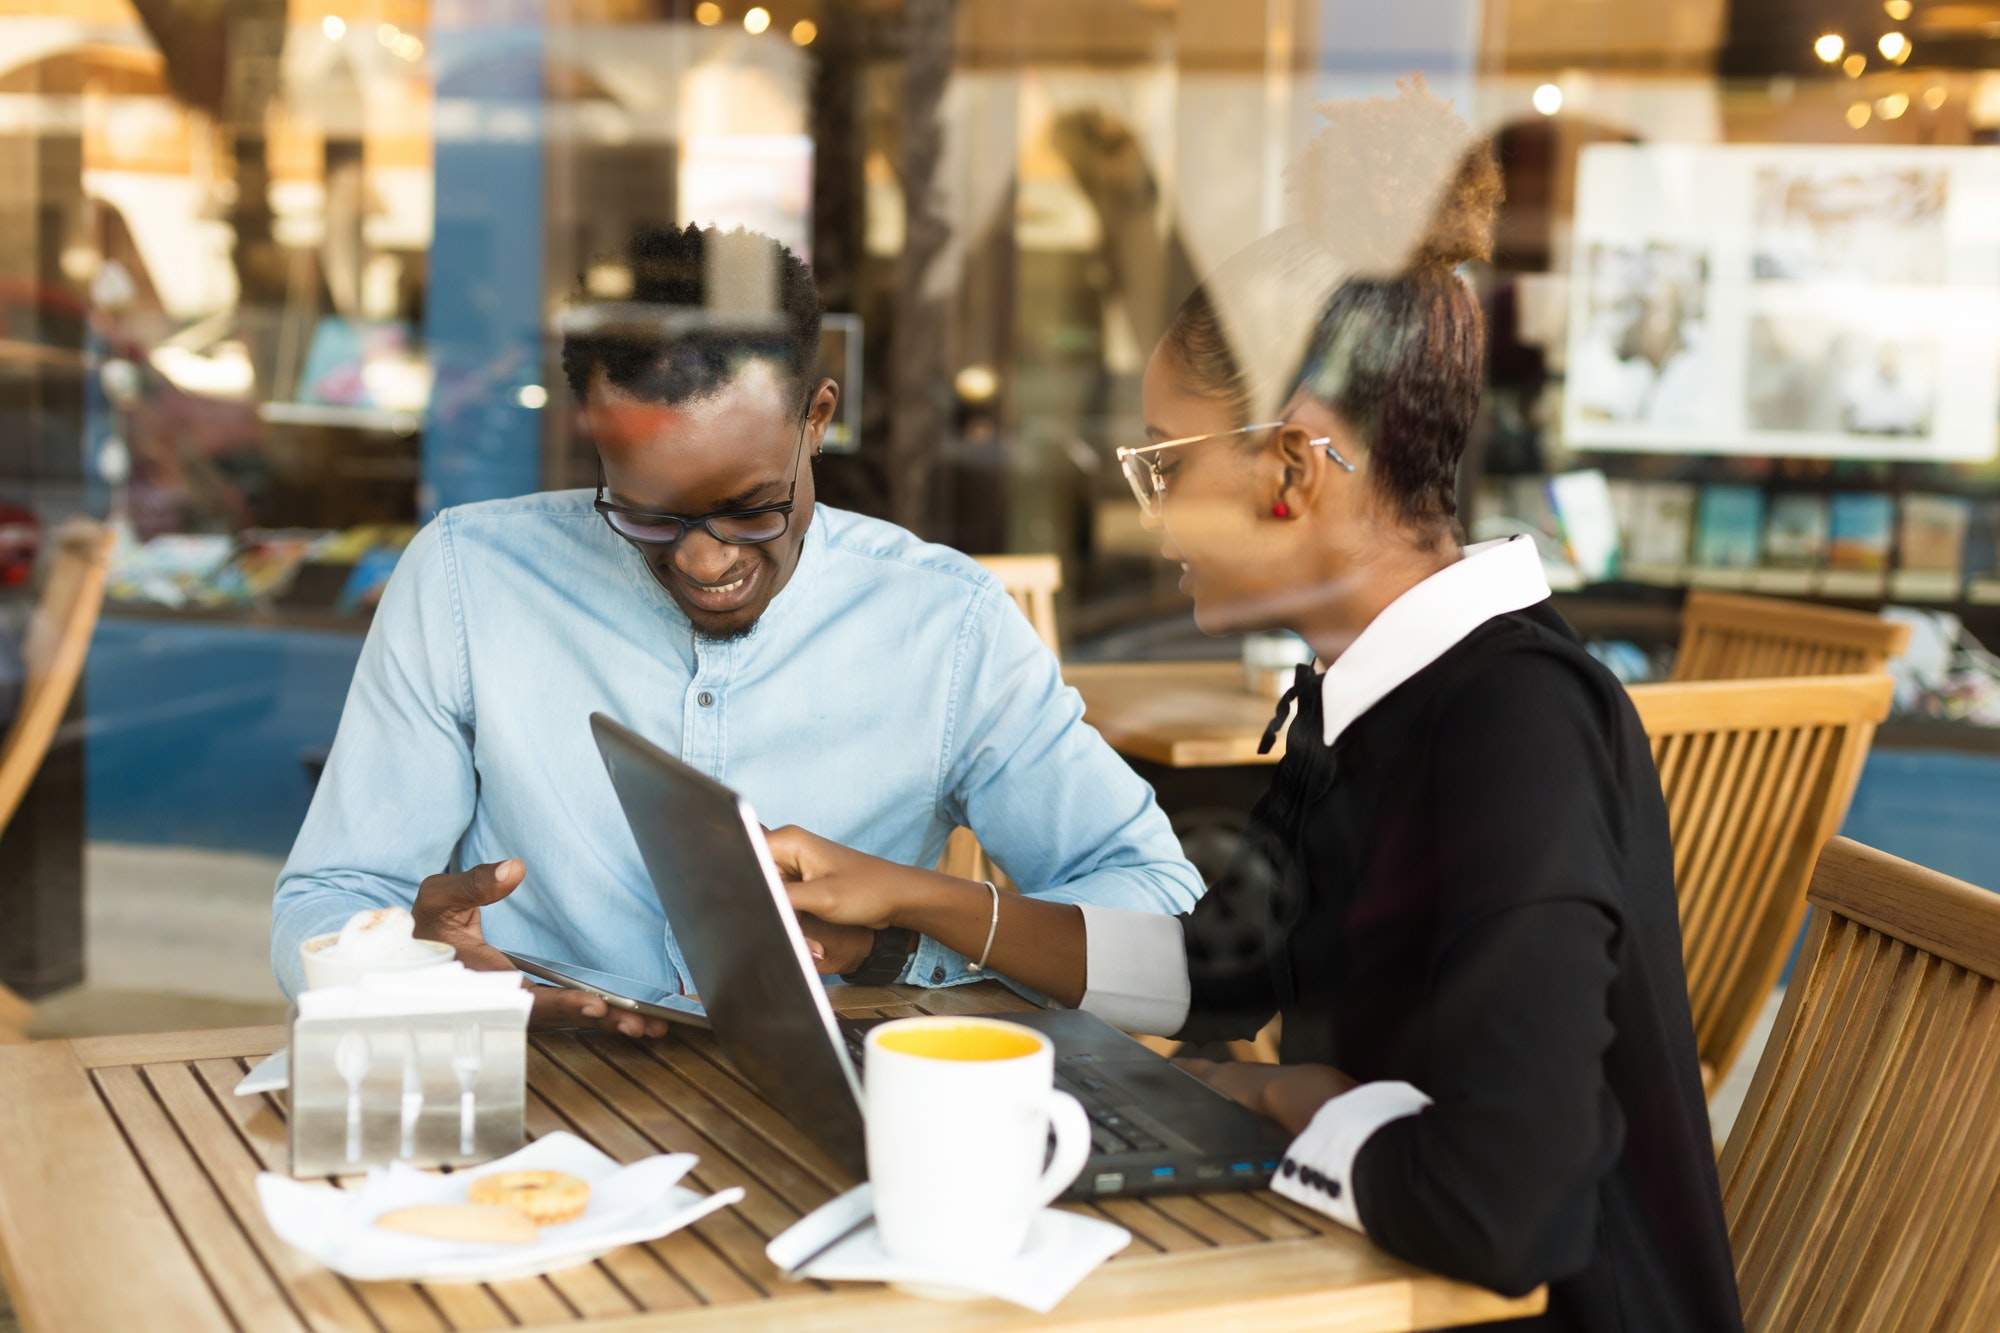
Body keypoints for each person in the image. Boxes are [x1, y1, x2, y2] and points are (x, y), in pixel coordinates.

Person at [766, 88, 1743, 1332]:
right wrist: (907, 893)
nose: (1154, 515)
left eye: (1166, 463)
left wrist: (1292, 1103)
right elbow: (1224, 975)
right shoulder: (1371, 695)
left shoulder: (1513, 732)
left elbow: (1510, 1212)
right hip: (1371, 1271)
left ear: (1292, 462)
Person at [270, 222, 1203, 1032]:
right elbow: (330, 896)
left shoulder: (945, 626)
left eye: (753, 509)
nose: (705, 560)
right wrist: (410, 969)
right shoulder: (467, 581)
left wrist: (902, 946)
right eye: (647, 516)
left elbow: (1156, 917)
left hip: (822, 1118)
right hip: (532, 1104)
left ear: (818, 421)